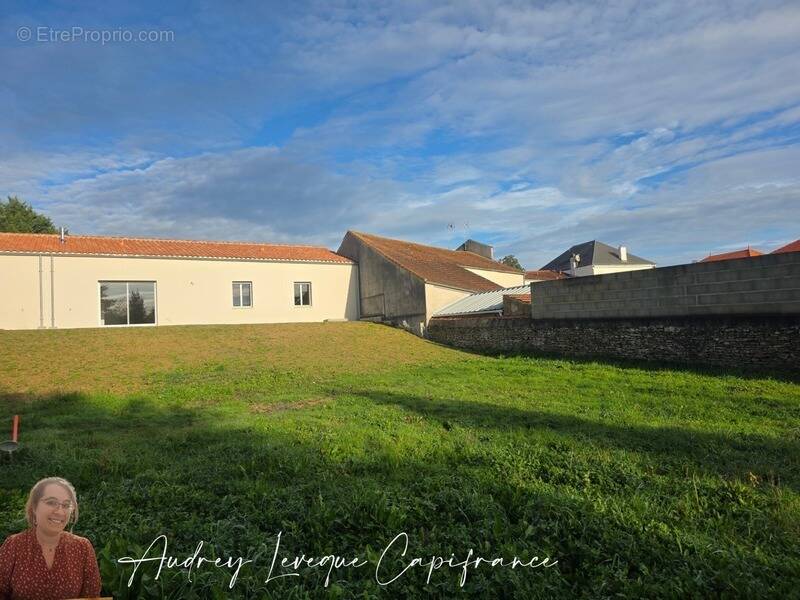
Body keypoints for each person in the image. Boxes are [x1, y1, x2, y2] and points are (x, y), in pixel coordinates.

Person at [0, 477, 101, 600]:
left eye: (66, 505)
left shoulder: (82, 547)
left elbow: (91, 597)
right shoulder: (14, 545)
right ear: (34, 507)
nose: (59, 511)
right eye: (51, 502)